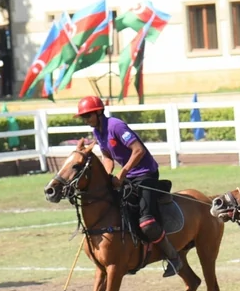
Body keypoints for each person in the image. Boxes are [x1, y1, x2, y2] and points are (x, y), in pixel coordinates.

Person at [75, 95, 183, 276]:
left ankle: (173, 257)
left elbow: (138, 150)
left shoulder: (116, 126)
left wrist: (122, 174)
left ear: (99, 112)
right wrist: (107, 177)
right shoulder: (97, 132)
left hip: (145, 174)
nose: (85, 120)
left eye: (87, 116)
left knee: (147, 223)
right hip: (127, 177)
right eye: (83, 117)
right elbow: (108, 157)